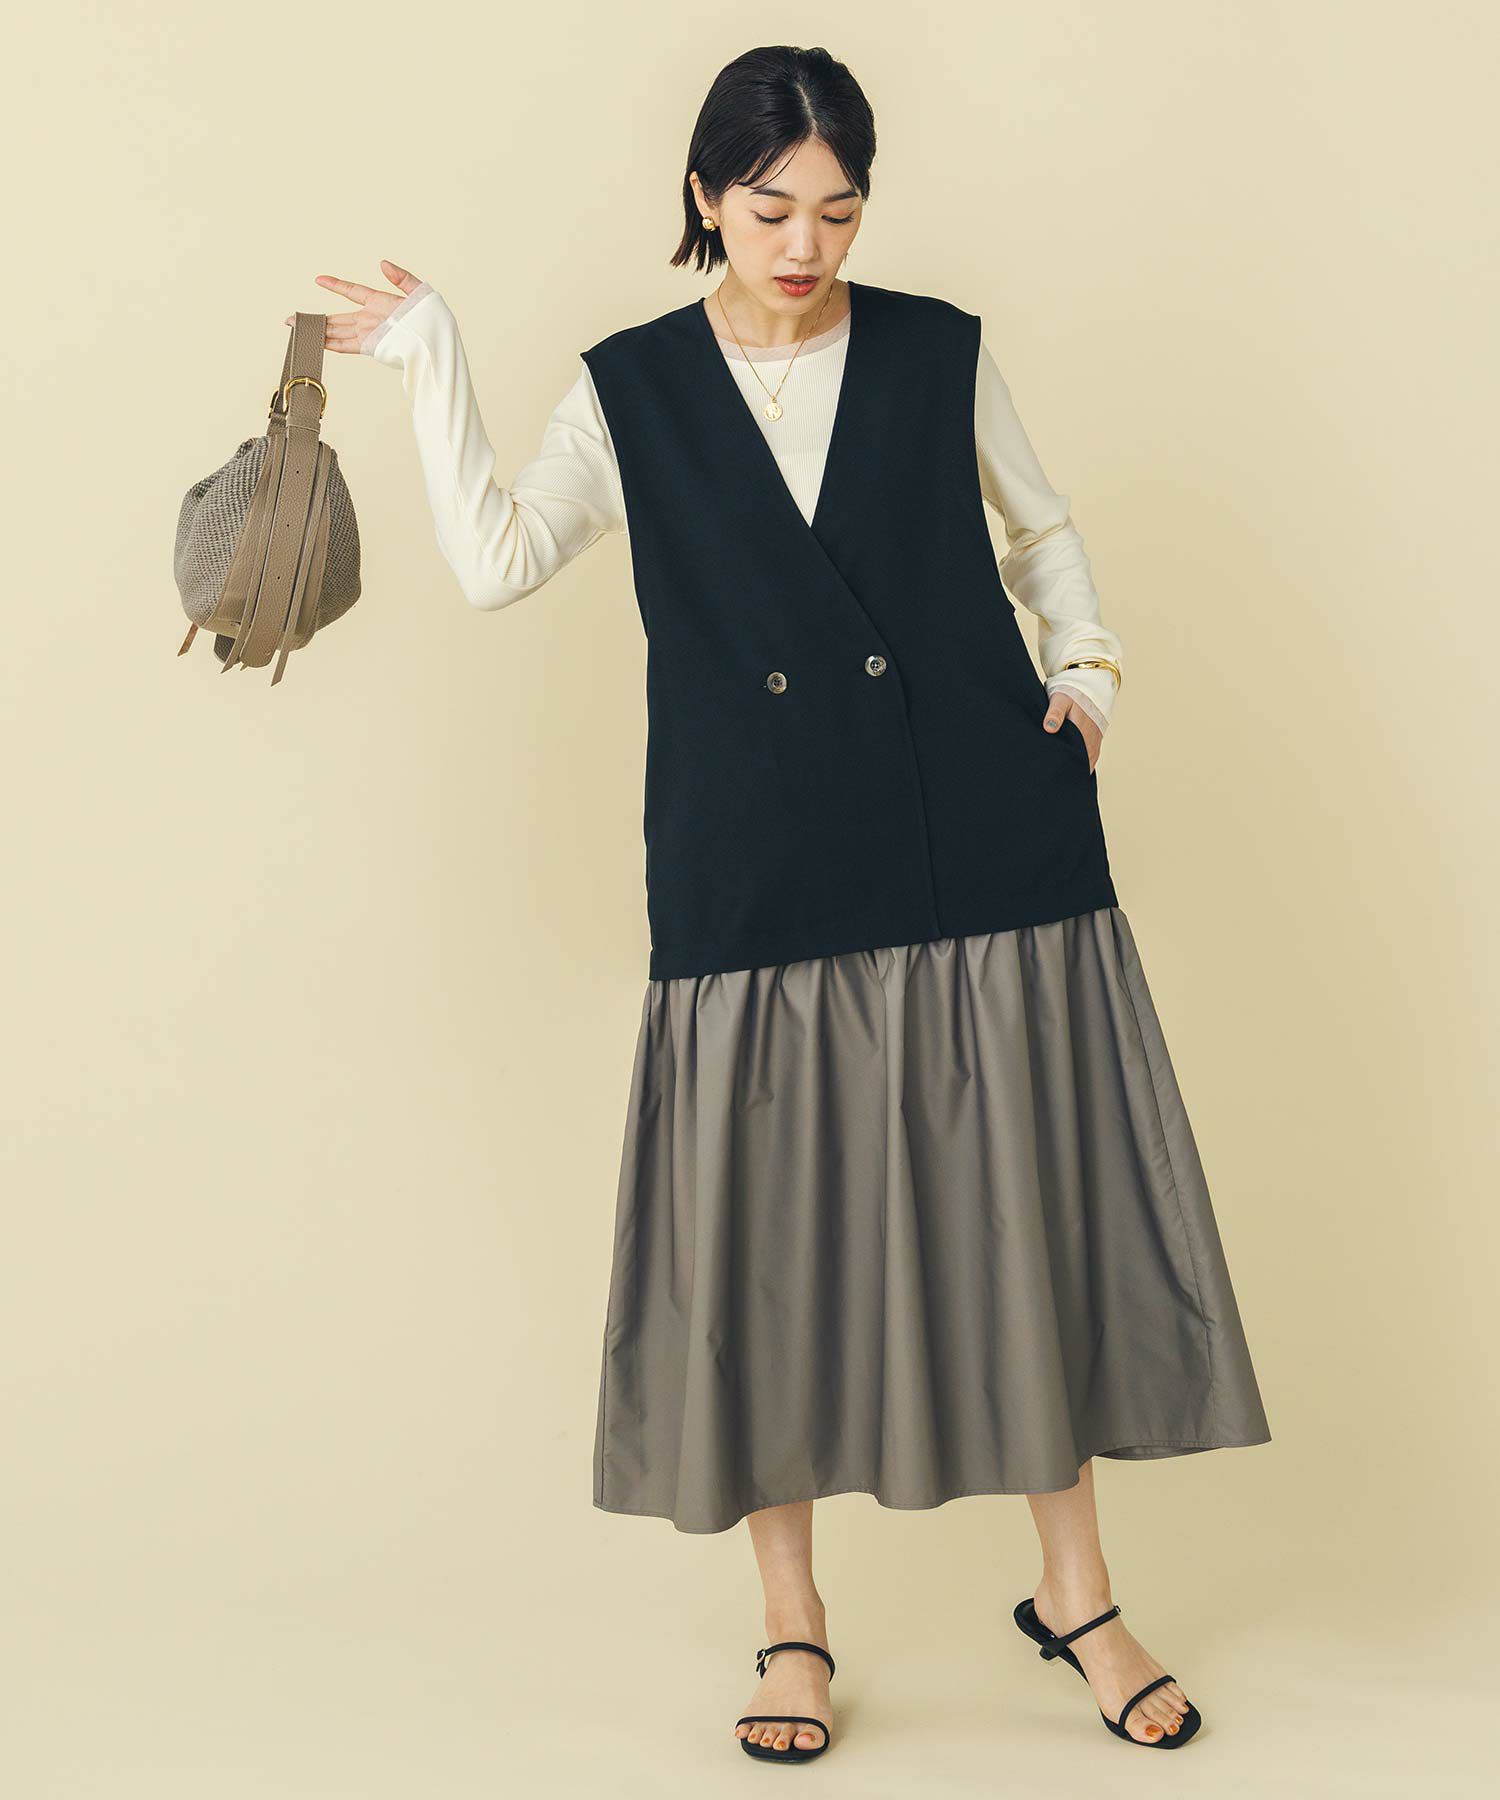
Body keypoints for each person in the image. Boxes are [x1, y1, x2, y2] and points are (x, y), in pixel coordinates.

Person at [293, 42, 1270, 1765]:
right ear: (704, 198)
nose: (805, 244)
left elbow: (1043, 537)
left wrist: (1092, 672)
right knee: (769, 1244)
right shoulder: (631, 392)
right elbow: (500, 562)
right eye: (768, 210)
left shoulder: (938, 350)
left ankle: (1080, 1598)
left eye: (837, 210)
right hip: (756, 855)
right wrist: (435, 355)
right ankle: (793, 1628)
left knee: (1019, 1217)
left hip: (981, 836)